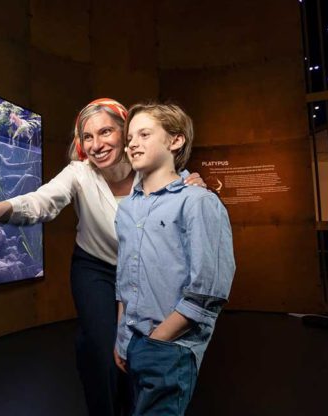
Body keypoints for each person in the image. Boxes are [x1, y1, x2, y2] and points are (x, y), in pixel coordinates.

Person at [0, 98, 204, 416]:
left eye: (106, 132)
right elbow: (42, 201)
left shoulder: (149, 167)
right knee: (103, 346)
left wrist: (193, 187)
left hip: (142, 272)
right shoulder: (80, 173)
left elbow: (181, 190)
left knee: (138, 347)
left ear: (126, 132)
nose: (96, 144)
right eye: (88, 137)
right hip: (93, 267)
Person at [114, 102, 235, 416]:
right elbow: (125, 278)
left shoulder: (199, 202)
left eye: (144, 134)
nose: (132, 143)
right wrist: (122, 338)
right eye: (129, 138)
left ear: (175, 140)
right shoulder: (127, 209)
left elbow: (209, 288)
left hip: (170, 346)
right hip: (133, 342)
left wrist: (160, 340)